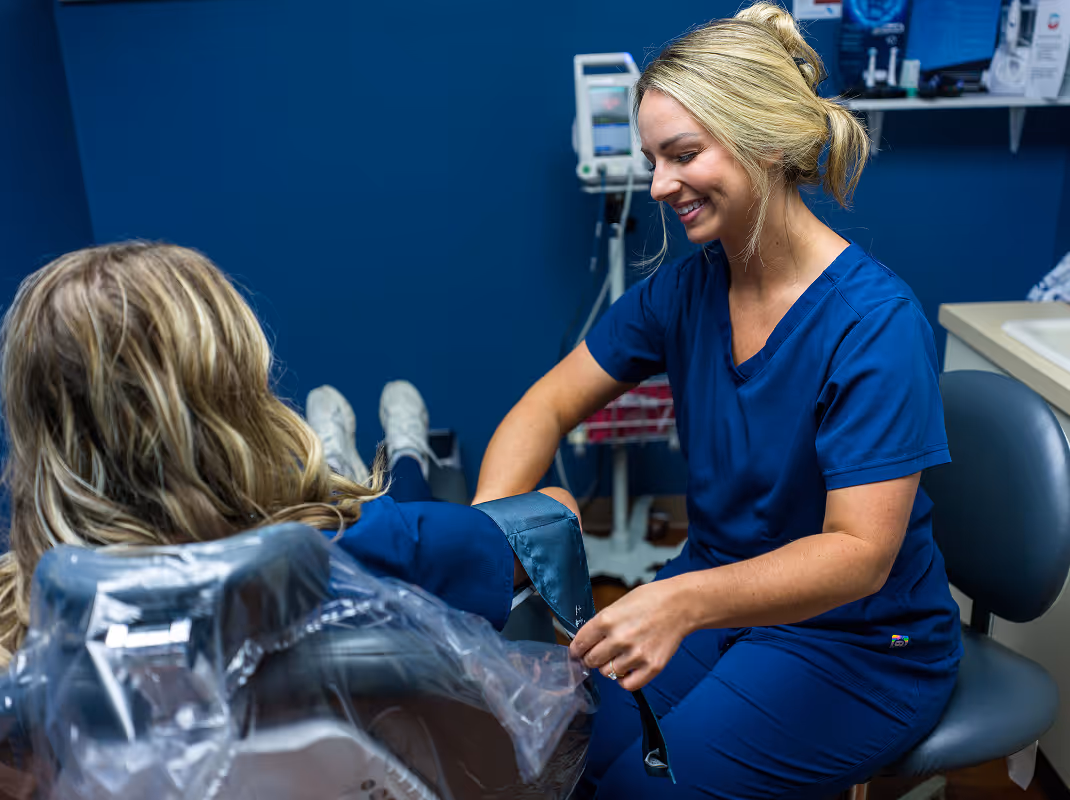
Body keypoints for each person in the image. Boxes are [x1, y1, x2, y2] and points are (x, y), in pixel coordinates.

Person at [473, 4, 961, 797]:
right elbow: (546, 405)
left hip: (860, 641)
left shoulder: (874, 325)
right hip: (723, 600)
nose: (659, 184)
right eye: (652, 159)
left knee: (643, 788)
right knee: (563, 751)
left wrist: (680, 601)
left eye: (683, 154)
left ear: (765, 141)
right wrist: (489, 541)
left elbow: (859, 555)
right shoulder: (689, 289)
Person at [0, 241, 575, 667]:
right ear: (233, 408)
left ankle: (355, 458)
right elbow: (554, 518)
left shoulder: (28, 618)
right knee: (392, 497)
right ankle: (402, 454)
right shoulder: (341, 548)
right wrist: (456, 537)